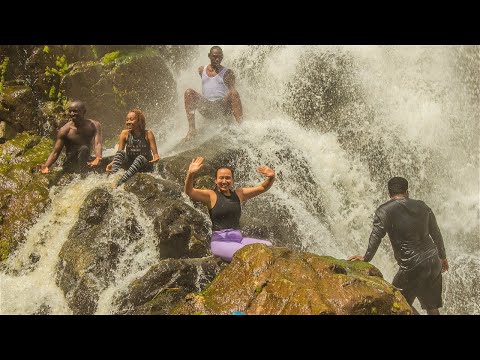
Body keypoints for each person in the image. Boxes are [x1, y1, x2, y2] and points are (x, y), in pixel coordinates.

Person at [348, 177, 449, 315]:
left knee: (396, 300)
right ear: (407, 191)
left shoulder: (384, 210)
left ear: (389, 193)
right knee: (432, 306)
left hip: (411, 266)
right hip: (433, 261)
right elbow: (436, 233)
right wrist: (442, 257)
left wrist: (366, 258)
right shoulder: (423, 206)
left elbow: (376, 236)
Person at [184, 157, 274, 262]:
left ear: (232, 180)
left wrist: (271, 177)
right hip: (221, 243)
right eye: (221, 178)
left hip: (239, 240)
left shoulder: (239, 194)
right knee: (247, 253)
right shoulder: (211, 196)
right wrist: (190, 174)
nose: (224, 181)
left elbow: (262, 188)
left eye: (227, 178)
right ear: (216, 180)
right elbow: (189, 191)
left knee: (268, 246)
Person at [183, 46, 243, 141]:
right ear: (209, 56)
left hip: (222, 106)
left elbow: (233, 95)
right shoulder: (201, 70)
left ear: (222, 57)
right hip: (207, 107)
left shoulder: (228, 73)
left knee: (234, 93)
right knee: (188, 92)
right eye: (214, 56)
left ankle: (241, 127)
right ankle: (192, 130)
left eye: (219, 56)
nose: (217, 59)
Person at [38, 100, 102, 174]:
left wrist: (98, 157)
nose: (72, 114)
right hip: (71, 162)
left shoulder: (94, 125)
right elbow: (55, 152)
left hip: (85, 158)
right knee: (84, 148)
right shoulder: (65, 130)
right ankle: (82, 175)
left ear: (83, 112)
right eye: (70, 111)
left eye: (75, 111)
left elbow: (98, 143)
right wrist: (46, 166)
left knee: (85, 149)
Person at [106, 108, 160, 188]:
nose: (128, 122)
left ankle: (120, 182)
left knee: (140, 158)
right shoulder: (124, 134)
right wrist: (113, 163)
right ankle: (113, 178)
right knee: (121, 153)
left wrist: (156, 158)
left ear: (139, 121)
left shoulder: (148, 134)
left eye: (131, 120)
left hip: (144, 166)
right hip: (130, 164)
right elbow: (119, 153)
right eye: (127, 120)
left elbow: (155, 155)